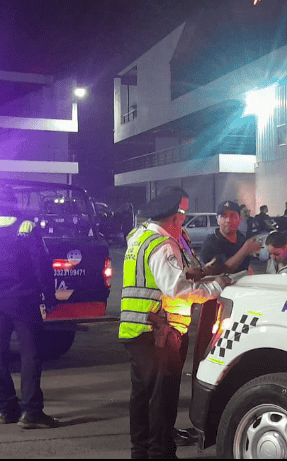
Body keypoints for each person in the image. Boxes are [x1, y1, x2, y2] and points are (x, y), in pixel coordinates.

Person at [119, 187, 233, 459]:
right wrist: (215, 286)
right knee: (162, 400)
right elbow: (177, 288)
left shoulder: (140, 237)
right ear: (173, 215)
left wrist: (193, 271)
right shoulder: (163, 244)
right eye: (183, 212)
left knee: (142, 397)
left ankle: (141, 452)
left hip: (138, 329)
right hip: (160, 332)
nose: (185, 218)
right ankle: (161, 453)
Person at [0, 186, 59, 429]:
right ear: (15, 203)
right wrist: (49, 296)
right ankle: (31, 412)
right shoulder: (26, 227)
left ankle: (6, 408)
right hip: (23, 299)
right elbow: (41, 264)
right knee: (30, 355)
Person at [192, 200, 262, 378]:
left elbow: (247, 269)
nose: (228, 220)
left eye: (233, 216)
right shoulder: (212, 242)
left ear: (240, 219)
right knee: (209, 346)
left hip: (241, 303)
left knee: (237, 347)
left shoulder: (243, 240)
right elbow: (223, 268)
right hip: (215, 303)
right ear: (217, 220)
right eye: (223, 216)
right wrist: (245, 250)